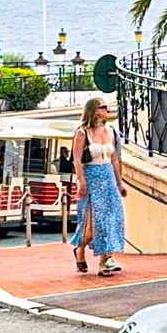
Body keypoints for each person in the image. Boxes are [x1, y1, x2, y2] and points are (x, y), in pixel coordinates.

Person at [73, 96, 127, 277]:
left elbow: (114, 158)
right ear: (95, 110)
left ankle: (104, 262)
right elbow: (77, 159)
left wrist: (119, 182)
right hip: (92, 177)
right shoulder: (82, 132)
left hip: (109, 177)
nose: (108, 110)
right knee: (90, 227)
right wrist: (82, 182)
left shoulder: (111, 131)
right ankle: (80, 250)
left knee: (110, 220)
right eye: (104, 107)